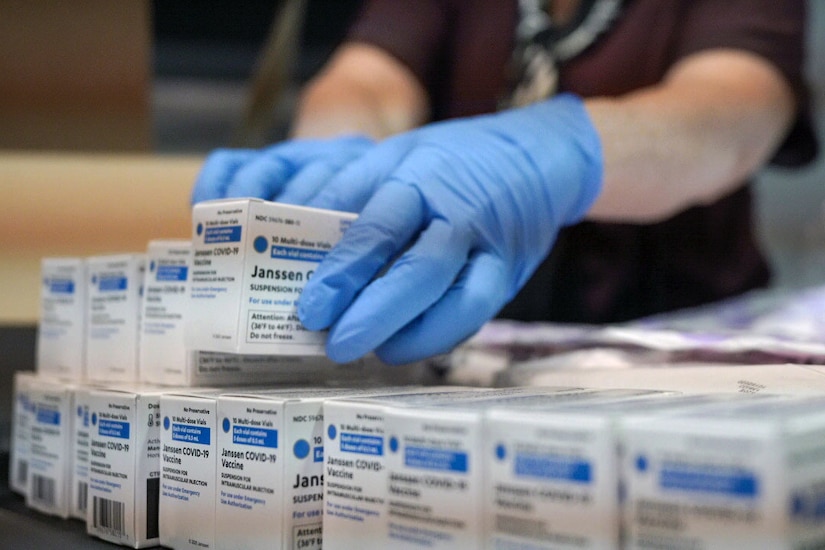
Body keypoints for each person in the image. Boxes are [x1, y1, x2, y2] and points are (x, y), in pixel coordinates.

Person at [192, 0, 817, 365]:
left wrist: (546, 154)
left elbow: (733, 110)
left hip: (677, 343)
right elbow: (372, 78)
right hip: (463, 350)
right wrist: (342, 160)